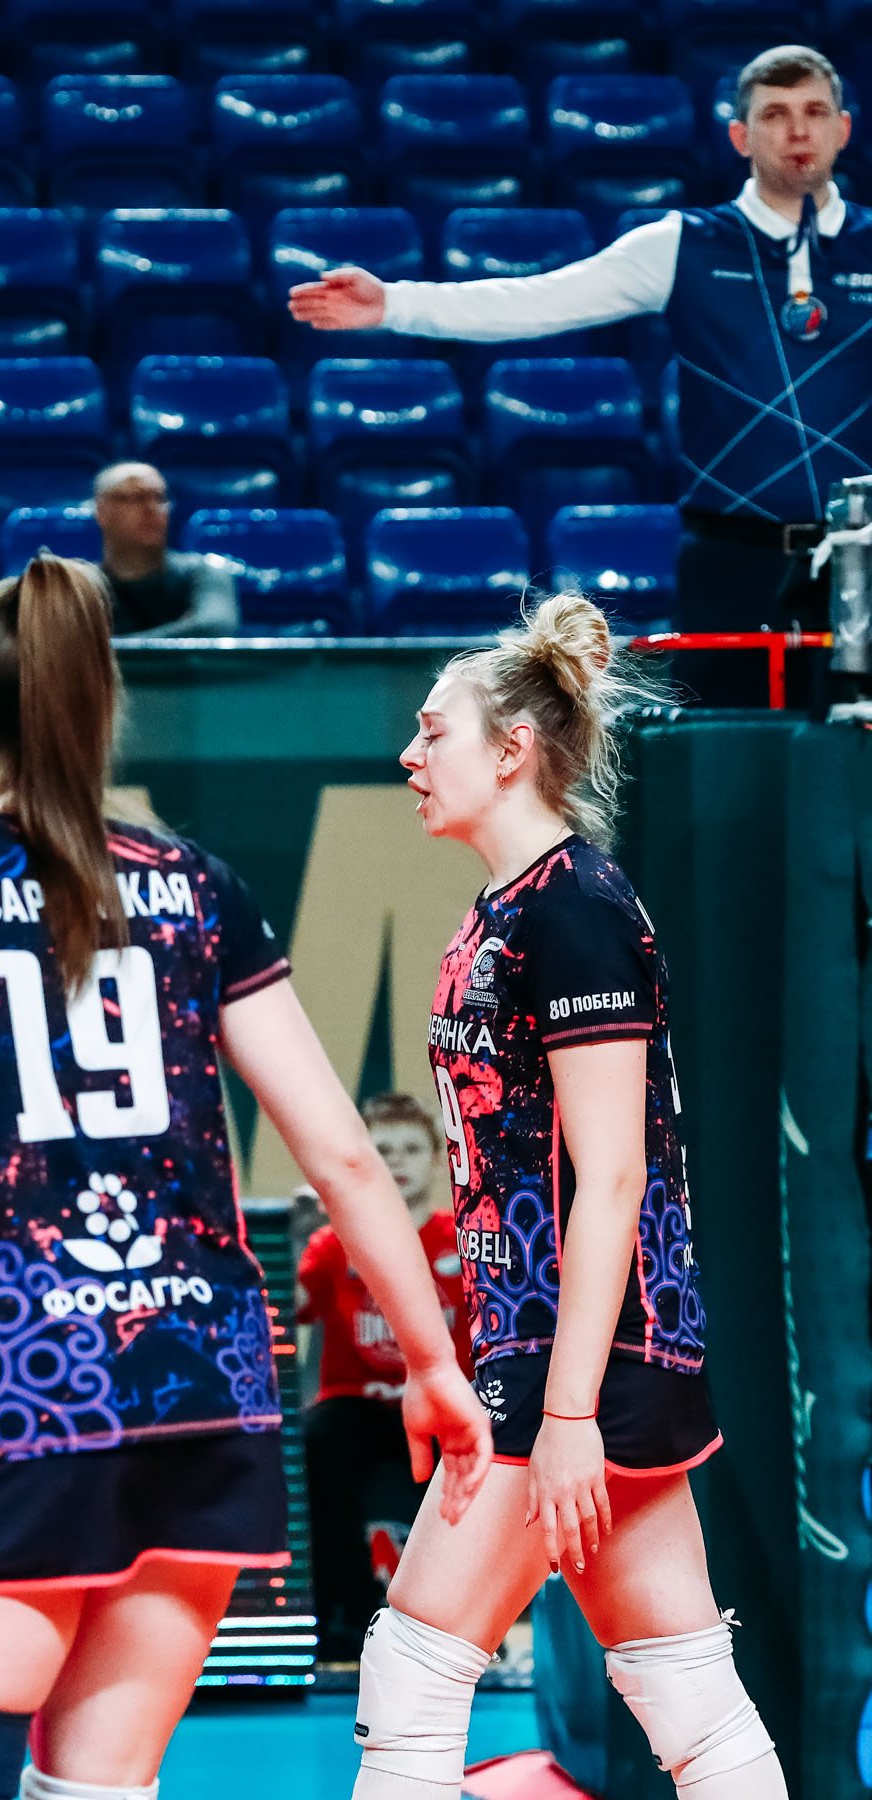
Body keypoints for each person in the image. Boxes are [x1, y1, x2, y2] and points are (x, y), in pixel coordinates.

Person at [0, 554, 492, 1800]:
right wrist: (433, 1364)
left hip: (11, 1394)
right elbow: (341, 1155)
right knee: (101, 1785)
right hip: (199, 1390)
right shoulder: (197, 887)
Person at [353, 595, 784, 1800]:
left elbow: (617, 1175)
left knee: (412, 1673)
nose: (410, 754)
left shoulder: (576, 911)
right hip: (566, 1350)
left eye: (433, 731)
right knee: (690, 1699)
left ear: (512, 750)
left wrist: (571, 1412)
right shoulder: (507, 911)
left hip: (584, 1358)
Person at [289, 44, 868, 708]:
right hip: (731, 557)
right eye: (775, 114)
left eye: (814, 112)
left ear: (843, 129)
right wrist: (395, 302)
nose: (797, 131)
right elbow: (538, 300)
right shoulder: (681, 242)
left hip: (863, 549)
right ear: (740, 136)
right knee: (727, 755)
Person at [296, 1093, 472, 1664]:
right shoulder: (333, 1242)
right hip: (357, 1407)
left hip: (445, 1402)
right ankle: (344, 1619)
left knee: (480, 1444)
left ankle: (461, 1618)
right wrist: (295, 1244)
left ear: (437, 1160)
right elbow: (289, 1308)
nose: (397, 1161)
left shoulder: (465, 1240)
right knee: (318, 1439)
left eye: (411, 1149)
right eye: (384, 1149)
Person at [91, 463, 240, 639]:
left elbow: (215, 626)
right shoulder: (84, 584)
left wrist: (105, 647)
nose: (151, 508)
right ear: (101, 511)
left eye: (160, 498)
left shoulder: (204, 571)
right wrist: (184, 631)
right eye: (136, 497)